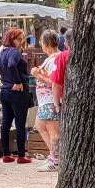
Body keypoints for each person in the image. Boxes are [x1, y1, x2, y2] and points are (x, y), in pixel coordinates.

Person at [0, 28, 32, 163]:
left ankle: (6, 153)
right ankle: (20, 155)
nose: (21, 42)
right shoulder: (14, 52)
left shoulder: (1, 53)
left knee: (6, 122)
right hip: (17, 91)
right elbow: (12, 65)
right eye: (18, 39)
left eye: (21, 39)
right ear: (12, 40)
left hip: (5, 91)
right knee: (20, 122)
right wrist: (18, 81)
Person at [31, 29, 62, 172]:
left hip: (50, 99)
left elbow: (54, 82)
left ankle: (56, 159)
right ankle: (54, 156)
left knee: (52, 129)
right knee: (40, 125)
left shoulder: (56, 58)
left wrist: (39, 76)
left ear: (46, 43)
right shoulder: (51, 58)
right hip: (45, 100)